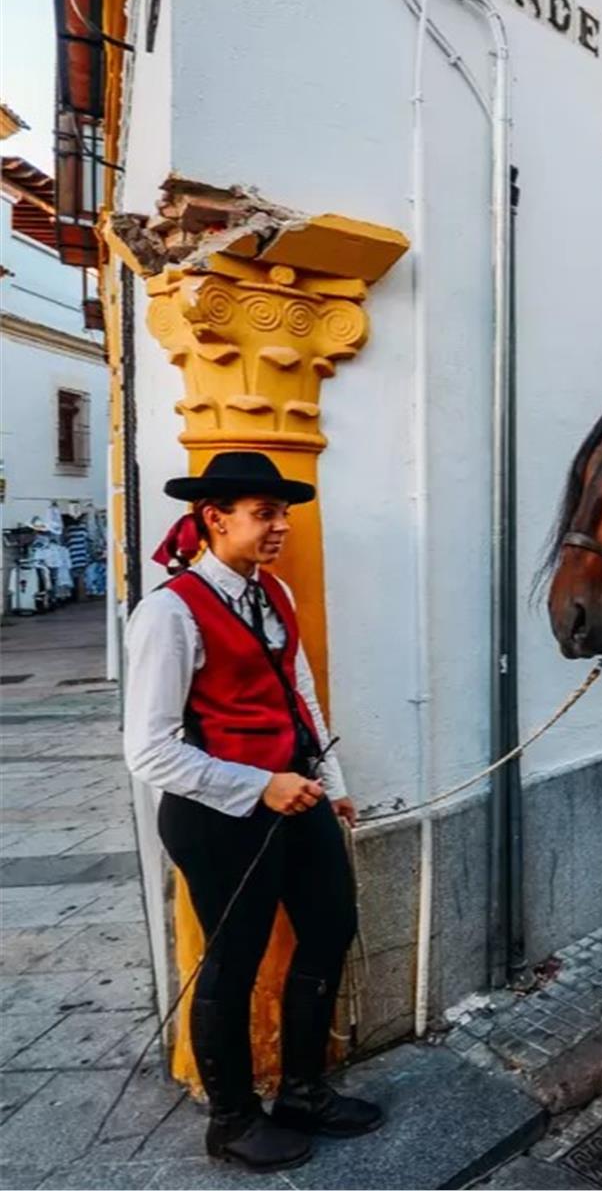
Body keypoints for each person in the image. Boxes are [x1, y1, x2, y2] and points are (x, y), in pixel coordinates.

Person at [123, 451, 381, 1172]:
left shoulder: (276, 596)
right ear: (214, 518)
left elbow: (300, 695)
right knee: (233, 960)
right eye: (265, 513)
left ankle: (303, 1092)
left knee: (330, 927)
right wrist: (258, 785)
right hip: (216, 818)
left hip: (298, 798)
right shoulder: (169, 612)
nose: (281, 526)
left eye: (283, 513)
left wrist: (331, 781)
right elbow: (148, 751)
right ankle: (233, 1120)